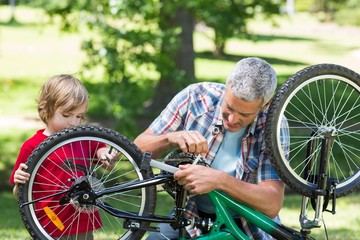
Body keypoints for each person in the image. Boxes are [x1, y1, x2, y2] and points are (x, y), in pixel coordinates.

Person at [134, 57, 290, 239]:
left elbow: (271, 204)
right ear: (226, 88)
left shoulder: (273, 126)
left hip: (247, 223)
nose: (232, 120)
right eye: (229, 107)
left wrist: (220, 181)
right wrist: (170, 138)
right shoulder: (195, 98)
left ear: (265, 105)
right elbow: (135, 150)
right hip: (191, 216)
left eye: (244, 114)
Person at [9, 74, 113, 239]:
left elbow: (101, 151)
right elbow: (19, 194)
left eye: (79, 116)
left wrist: (105, 154)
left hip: (81, 218)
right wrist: (18, 183)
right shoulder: (32, 146)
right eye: (66, 115)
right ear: (46, 109)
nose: (73, 122)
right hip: (50, 222)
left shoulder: (82, 139)